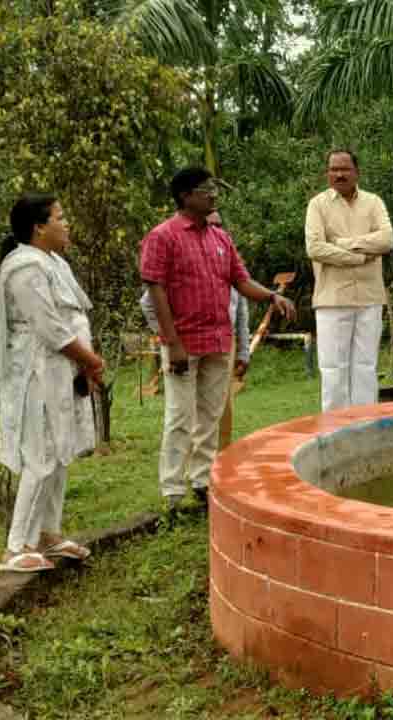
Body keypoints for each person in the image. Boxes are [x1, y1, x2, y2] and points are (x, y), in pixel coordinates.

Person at [140, 167, 296, 510]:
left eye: (214, 188)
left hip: (218, 341)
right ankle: (172, 492)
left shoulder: (219, 237)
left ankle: (201, 481)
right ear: (185, 196)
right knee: (180, 416)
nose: (213, 194)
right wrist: (172, 342)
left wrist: (272, 296)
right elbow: (155, 290)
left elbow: (241, 280)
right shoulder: (162, 236)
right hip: (183, 342)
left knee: (211, 415)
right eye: (205, 189)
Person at [0, 193, 103, 572]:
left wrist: (84, 364)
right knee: (41, 453)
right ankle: (16, 545)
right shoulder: (24, 269)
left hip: (60, 372)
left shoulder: (52, 263)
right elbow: (50, 328)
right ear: (39, 227)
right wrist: (91, 361)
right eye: (60, 217)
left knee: (59, 452)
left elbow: (72, 316)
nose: (66, 224)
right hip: (37, 374)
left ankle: (48, 533)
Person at [140, 210, 250, 449]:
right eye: (210, 224)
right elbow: (148, 304)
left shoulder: (226, 254)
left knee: (219, 407)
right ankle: (180, 474)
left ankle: (216, 463)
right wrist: (169, 337)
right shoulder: (175, 252)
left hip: (223, 341)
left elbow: (241, 309)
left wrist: (243, 351)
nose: (215, 229)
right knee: (184, 411)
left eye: (219, 225)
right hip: (185, 341)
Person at [305, 149, 393, 410]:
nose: (339, 174)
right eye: (334, 169)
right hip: (332, 299)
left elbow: (387, 240)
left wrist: (343, 244)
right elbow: (315, 248)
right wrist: (359, 257)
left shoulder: (373, 202)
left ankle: (365, 428)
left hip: (370, 297)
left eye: (345, 169)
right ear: (327, 173)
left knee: (366, 367)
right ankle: (334, 433)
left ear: (357, 172)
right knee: (333, 369)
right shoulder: (317, 205)